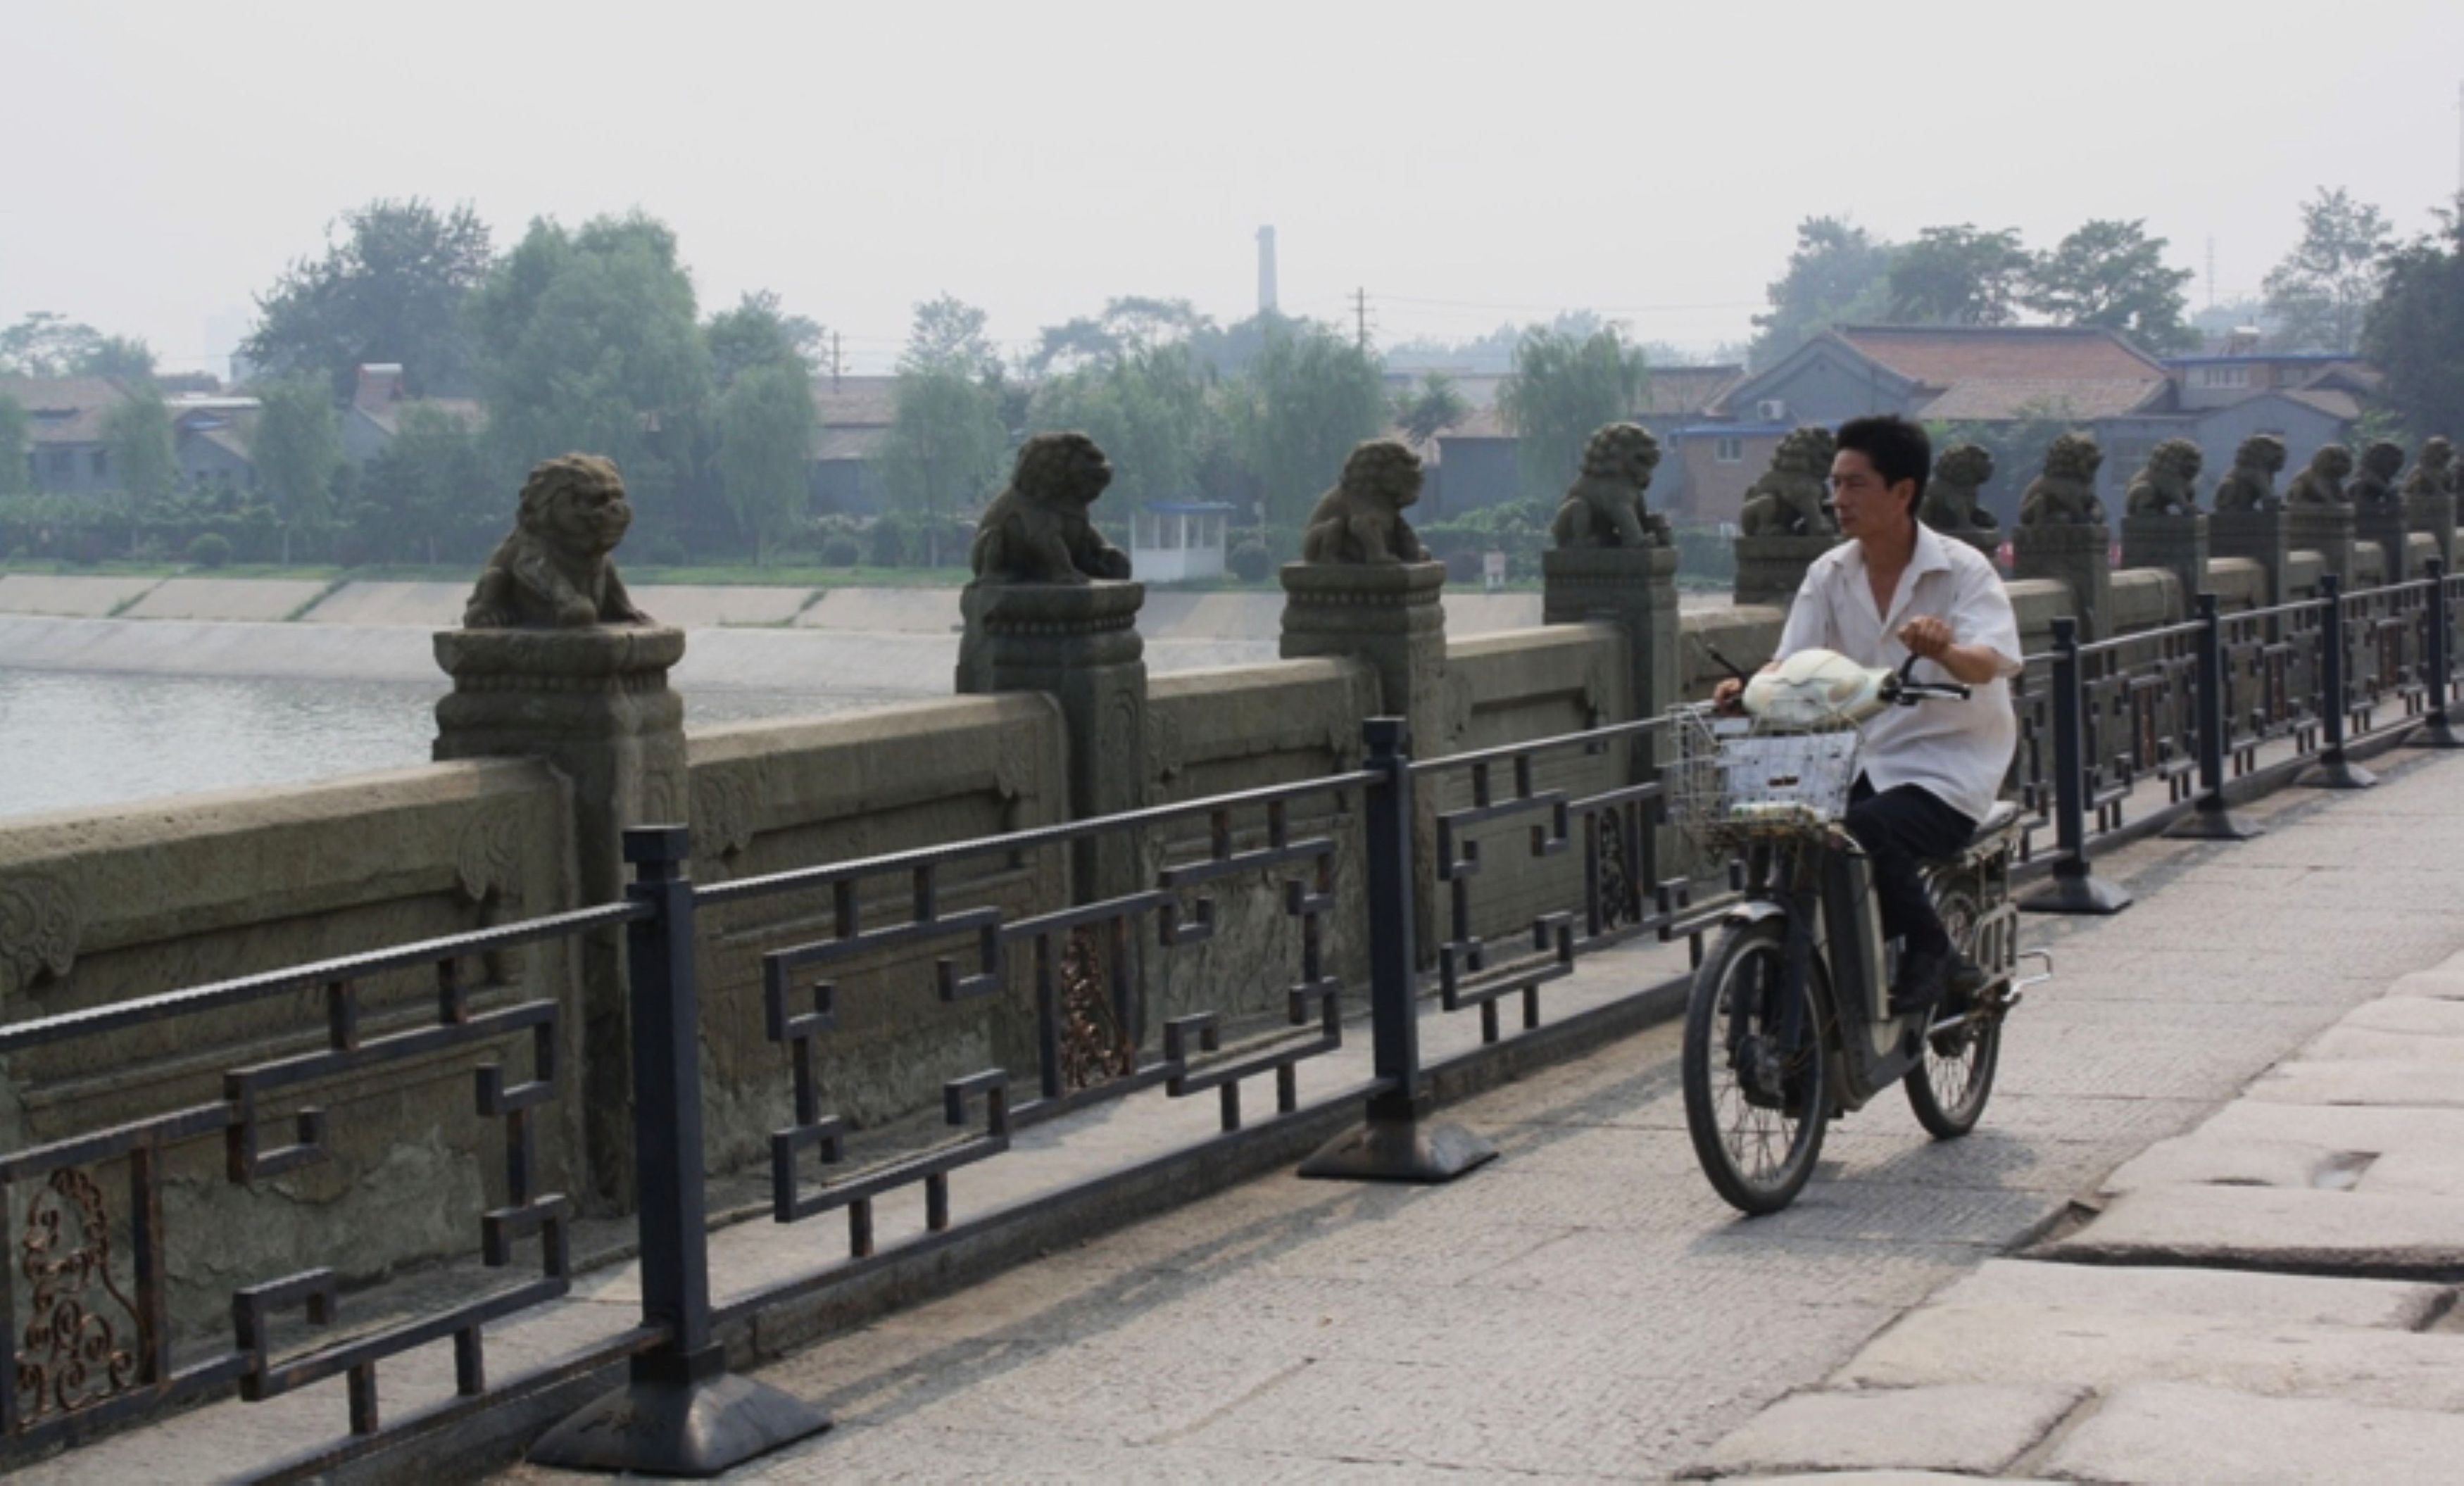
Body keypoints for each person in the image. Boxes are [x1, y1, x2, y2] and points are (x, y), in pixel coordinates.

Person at [1714, 415, 2022, 1013]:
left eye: (1855, 484)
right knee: (1790, 832)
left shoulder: (1962, 570)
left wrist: (1945, 649)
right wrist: (1747, 688)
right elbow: (1791, 661)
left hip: (1947, 764)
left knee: (1861, 828)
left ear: (1902, 492)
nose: (1839, 499)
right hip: (1854, 756)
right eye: (1835, 484)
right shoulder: (1829, 573)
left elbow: (1989, 661)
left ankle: (1934, 949)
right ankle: (1794, 969)